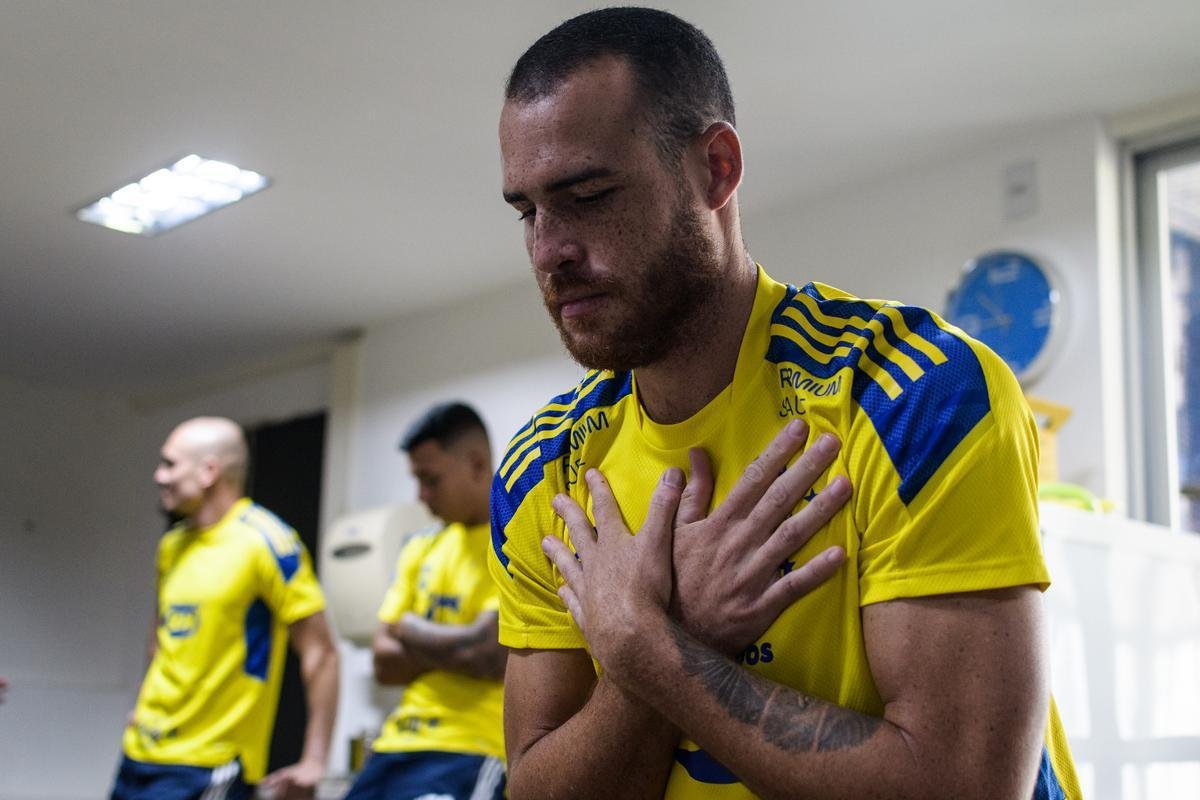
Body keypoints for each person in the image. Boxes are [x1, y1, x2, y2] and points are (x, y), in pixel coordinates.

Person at [488, 7, 1080, 800]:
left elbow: (962, 785)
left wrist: (653, 648)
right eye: (528, 211)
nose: (548, 252)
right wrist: (668, 643)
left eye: (589, 195)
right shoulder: (544, 470)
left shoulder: (914, 392)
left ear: (716, 170)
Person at [111, 417, 339, 800]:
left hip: (209, 764)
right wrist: (139, 707)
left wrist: (315, 761)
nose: (159, 476)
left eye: (170, 464)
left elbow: (321, 654)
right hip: (140, 753)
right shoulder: (173, 545)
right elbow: (160, 637)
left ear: (209, 472)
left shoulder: (267, 541)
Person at [344, 402, 506, 800]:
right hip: (394, 746)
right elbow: (384, 661)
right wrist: (458, 643)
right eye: (416, 480)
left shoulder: (516, 542)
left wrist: (410, 628)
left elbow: (488, 654)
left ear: (476, 464)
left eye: (431, 480)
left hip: (471, 747)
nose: (422, 496)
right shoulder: (420, 546)